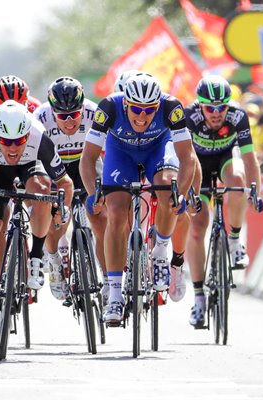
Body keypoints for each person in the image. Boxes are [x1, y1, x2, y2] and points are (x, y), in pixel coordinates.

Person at [79, 72, 197, 324]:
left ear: (158, 105)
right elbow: (88, 158)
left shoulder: (171, 107)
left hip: (158, 148)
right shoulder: (109, 107)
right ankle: (114, 294)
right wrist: (93, 194)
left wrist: (181, 193)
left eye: (149, 110)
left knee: (167, 189)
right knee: (116, 210)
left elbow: (187, 157)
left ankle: (161, 252)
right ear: (125, 104)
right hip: (121, 153)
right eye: (136, 109)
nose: (142, 117)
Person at [0, 100, 73, 333]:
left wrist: (63, 208)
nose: (12, 148)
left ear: (27, 135)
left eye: (19, 141)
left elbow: (65, 183)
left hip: (30, 166)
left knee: (42, 190)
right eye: (6, 142)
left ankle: (37, 257)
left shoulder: (39, 137)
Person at [184, 75, 263, 327]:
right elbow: (184, 159)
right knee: (197, 226)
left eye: (222, 107)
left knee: (238, 179)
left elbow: (250, 159)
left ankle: (234, 239)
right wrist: (187, 192)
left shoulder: (238, 117)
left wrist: (255, 192)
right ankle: (198, 297)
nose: (217, 113)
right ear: (200, 105)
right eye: (210, 108)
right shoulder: (189, 117)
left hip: (225, 159)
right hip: (197, 165)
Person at [33, 76, 107, 301]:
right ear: (52, 111)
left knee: (101, 218)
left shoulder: (95, 113)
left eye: (75, 115)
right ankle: (55, 262)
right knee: (56, 221)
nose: (69, 122)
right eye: (63, 117)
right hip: (55, 171)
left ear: (82, 106)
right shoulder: (39, 118)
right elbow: (32, 157)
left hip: (86, 166)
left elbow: (111, 151)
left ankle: (107, 277)